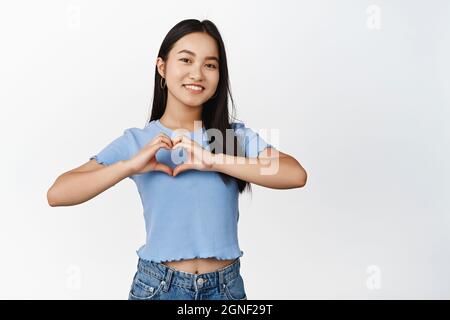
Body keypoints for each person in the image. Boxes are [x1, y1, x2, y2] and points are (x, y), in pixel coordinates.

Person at [47, 19, 307, 300]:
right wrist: (129, 166)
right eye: (186, 60)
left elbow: (295, 175)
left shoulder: (231, 137)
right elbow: (58, 193)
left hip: (225, 290)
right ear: (162, 67)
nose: (197, 74)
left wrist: (213, 160)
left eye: (210, 65)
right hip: (157, 287)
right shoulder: (138, 142)